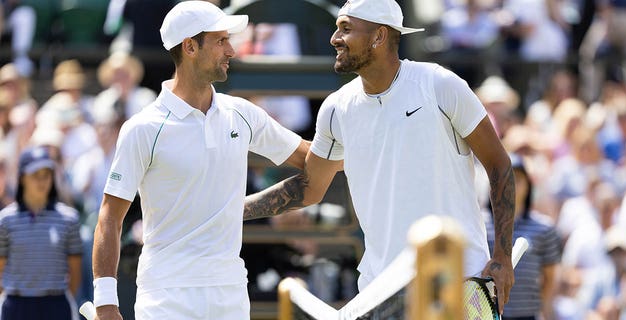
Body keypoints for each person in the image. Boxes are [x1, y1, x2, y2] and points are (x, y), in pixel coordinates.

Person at [244, 0, 516, 314]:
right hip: (381, 291)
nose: (334, 38)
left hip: (458, 283)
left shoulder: (441, 85)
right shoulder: (336, 109)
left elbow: (499, 164)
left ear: (379, 36)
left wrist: (502, 257)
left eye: (345, 29)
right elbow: (310, 186)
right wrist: (236, 209)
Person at [90, 1, 308, 320]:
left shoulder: (242, 114)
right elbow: (110, 218)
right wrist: (106, 304)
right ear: (190, 47)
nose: (231, 50)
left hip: (230, 295)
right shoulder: (142, 128)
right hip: (165, 297)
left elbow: (311, 156)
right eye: (221, 41)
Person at [0, 146, 83, 320]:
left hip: (56, 305)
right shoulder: (5, 220)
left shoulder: (69, 219)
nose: (42, 181)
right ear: (22, 178)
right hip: (16, 307)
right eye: (35, 175)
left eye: (46, 175)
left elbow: (75, 272)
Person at [484, 155, 562, 320]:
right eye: (507, 178)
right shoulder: (480, 225)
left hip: (527, 314)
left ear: (528, 186)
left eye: (518, 179)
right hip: (488, 314)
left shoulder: (544, 229)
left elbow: (550, 277)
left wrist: (543, 308)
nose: (511, 185)